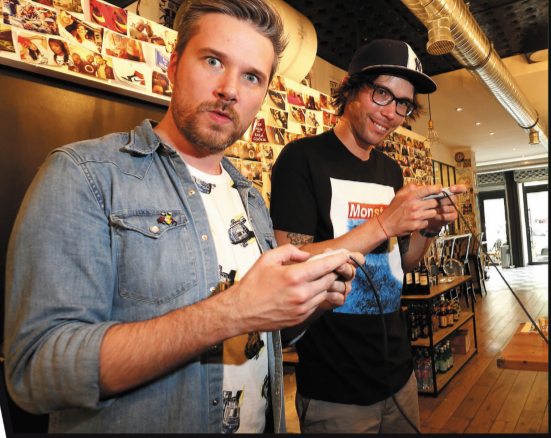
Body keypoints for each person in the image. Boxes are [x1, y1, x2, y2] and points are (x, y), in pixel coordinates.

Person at [4, 0, 362, 434]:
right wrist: (232, 311)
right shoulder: (85, 175)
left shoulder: (250, 198)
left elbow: (261, 338)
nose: (230, 89)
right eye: (213, 61)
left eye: (252, 77)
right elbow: (36, 371)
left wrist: (310, 302)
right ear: (173, 65)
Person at [269, 39, 466, 433]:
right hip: (335, 387)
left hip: (400, 375)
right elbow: (289, 266)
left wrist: (431, 227)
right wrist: (383, 224)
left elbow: (401, 263)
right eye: (382, 93)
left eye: (403, 104)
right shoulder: (301, 158)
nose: (392, 113)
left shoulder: (391, 171)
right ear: (350, 88)